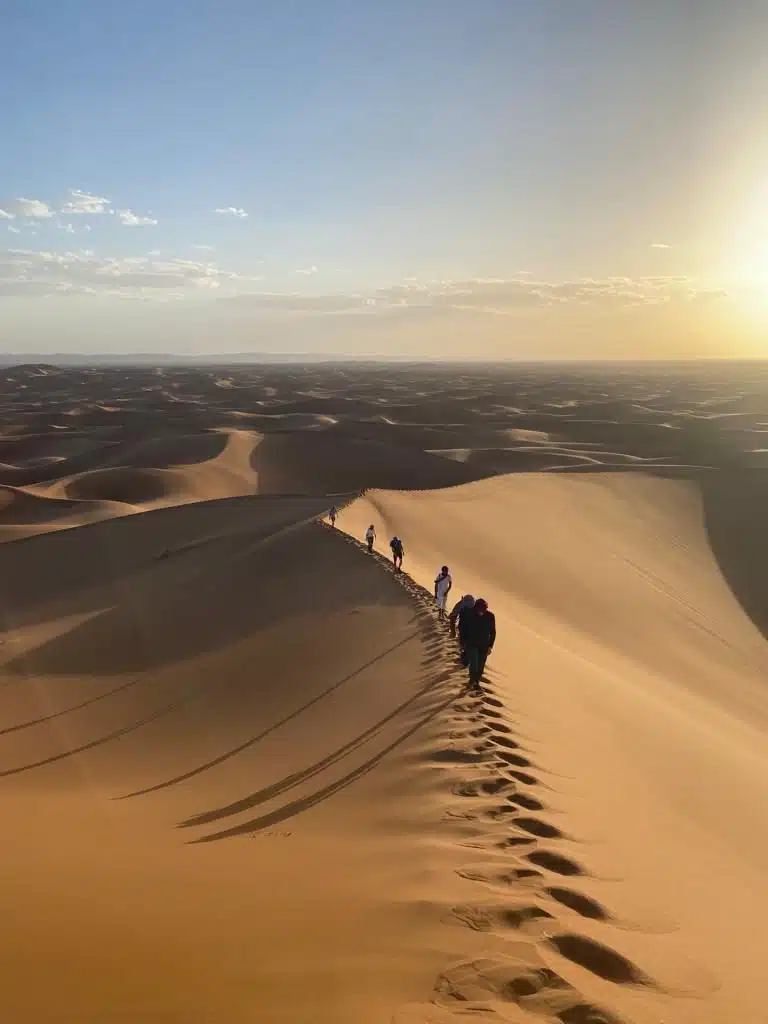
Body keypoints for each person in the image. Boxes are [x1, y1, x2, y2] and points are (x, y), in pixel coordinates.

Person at [459, 597, 496, 690]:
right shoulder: (470, 615)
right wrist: (463, 643)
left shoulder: (490, 616)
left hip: (484, 645)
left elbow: (493, 632)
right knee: (474, 664)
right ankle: (472, 680)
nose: (481, 612)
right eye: (479, 610)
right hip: (472, 643)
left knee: (481, 666)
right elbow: (463, 629)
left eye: (483, 610)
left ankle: (477, 683)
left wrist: (490, 646)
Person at [448, 593, 475, 664]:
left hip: (465, 627)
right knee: (466, 644)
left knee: (464, 644)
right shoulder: (476, 605)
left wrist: (453, 631)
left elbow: (453, 617)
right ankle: (466, 659)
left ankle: (465, 659)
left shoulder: (460, 604)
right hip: (470, 628)